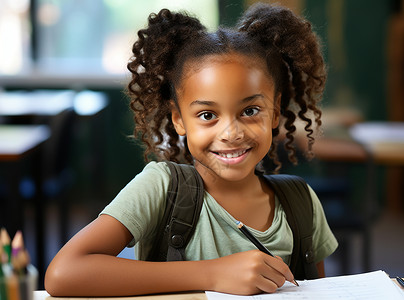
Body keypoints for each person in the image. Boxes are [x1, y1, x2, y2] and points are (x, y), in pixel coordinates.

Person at [45, 2, 337, 297]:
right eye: (208, 115)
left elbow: (319, 291)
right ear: (178, 120)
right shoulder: (160, 187)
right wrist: (213, 273)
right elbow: (63, 273)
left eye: (250, 110)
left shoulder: (301, 203)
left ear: (275, 113)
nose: (231, 133)